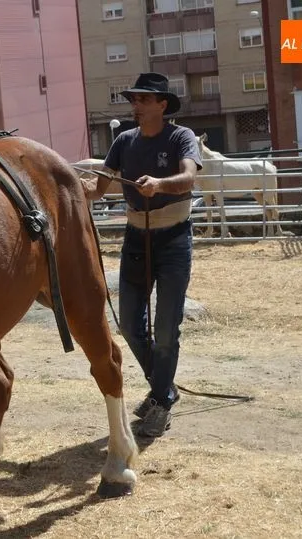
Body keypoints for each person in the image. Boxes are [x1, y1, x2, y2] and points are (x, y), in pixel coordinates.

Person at [82, 72, 202, 438]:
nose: (136, 106)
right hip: (136, 239)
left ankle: (161, 402)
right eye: (134, 100)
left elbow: (188, 179)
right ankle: (164, 390)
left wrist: (160, 184)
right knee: (130, 326)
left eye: (144, 100)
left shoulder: (181, 137)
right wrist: (67, 184)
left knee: (166, 329)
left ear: (162, 105)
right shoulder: (123, 141)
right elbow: (98, 189)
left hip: (174, 240)